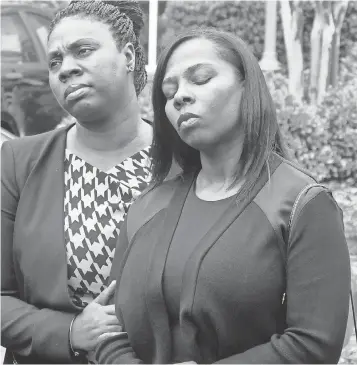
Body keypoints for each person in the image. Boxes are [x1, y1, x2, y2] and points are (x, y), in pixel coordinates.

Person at [95, 28, 351, 364]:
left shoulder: (300, 202)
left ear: (247, 86)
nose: (180, 97)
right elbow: (108, 324)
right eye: (168, 93)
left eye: (200, 78)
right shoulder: (147, 205)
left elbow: (314, 345)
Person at [1, 1, 152, 363]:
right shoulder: (18, 163)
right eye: (55, 61)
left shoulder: (185, 163)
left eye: (83, 50)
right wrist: (70, 332)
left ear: (128, 56)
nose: (67, 68)